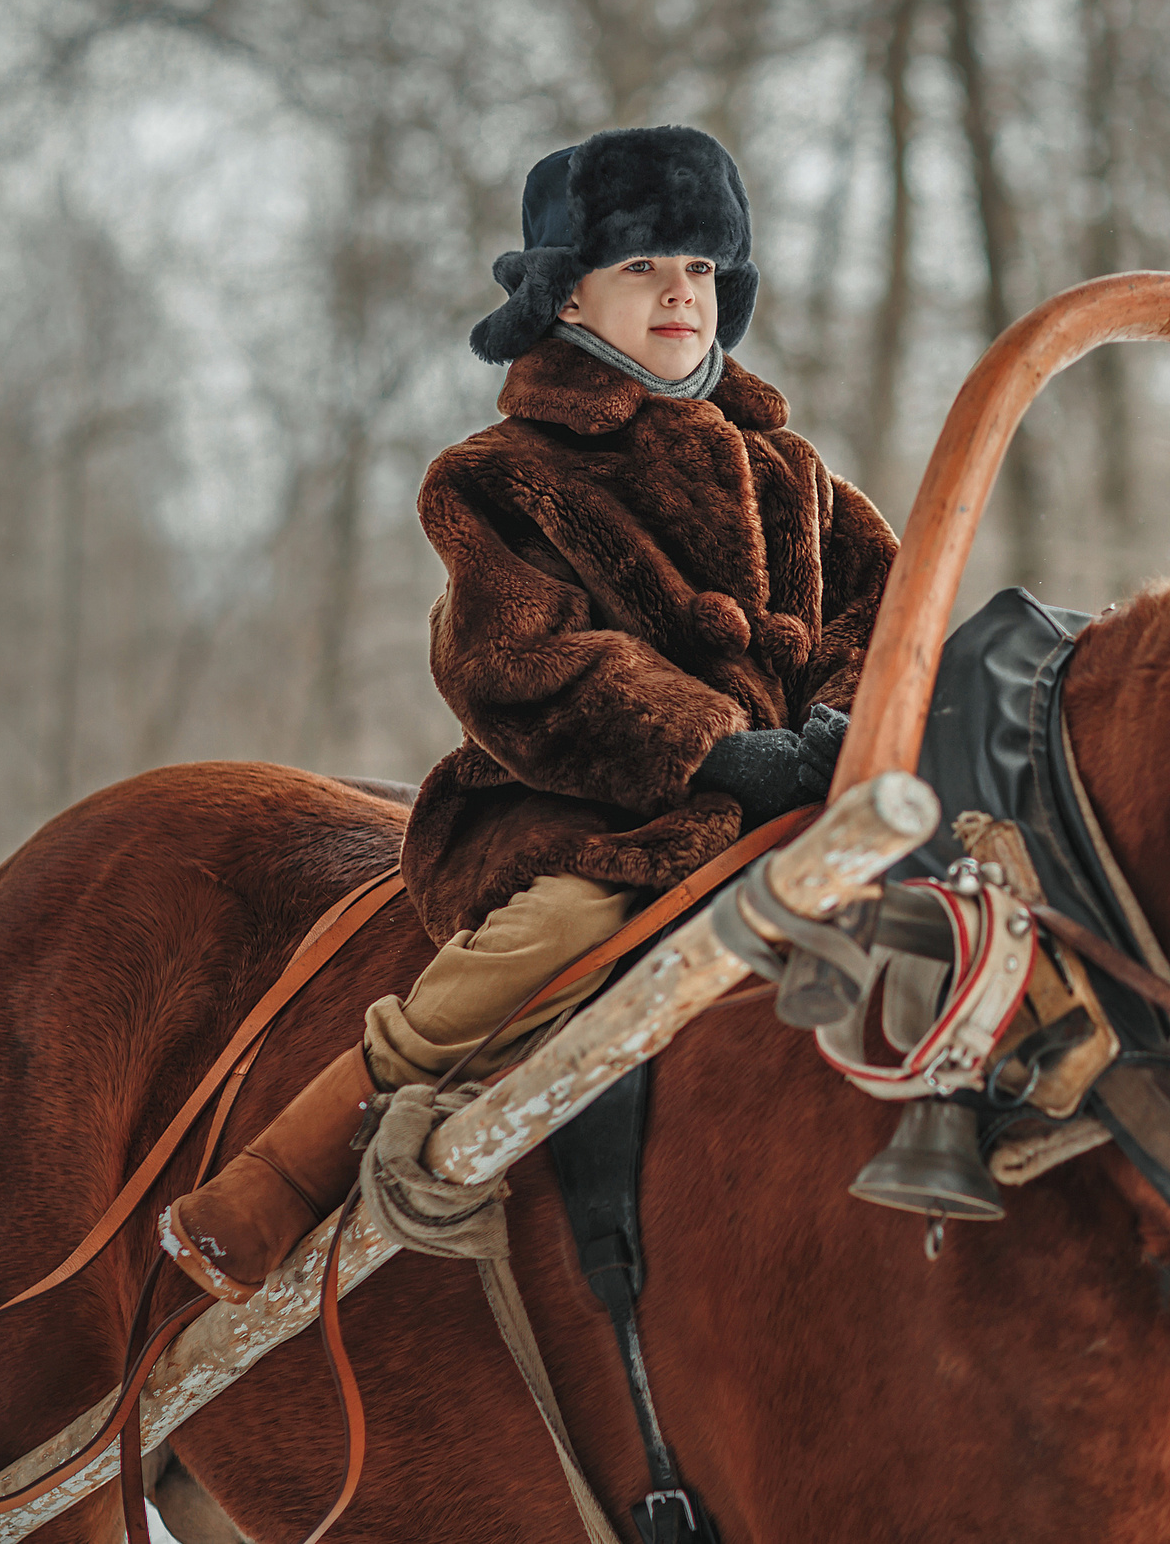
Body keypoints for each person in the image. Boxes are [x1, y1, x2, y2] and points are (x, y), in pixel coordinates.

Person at [163, 125, 897, 1303]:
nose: (678, 293)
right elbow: (515, 659)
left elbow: (885, 613)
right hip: (579, 803)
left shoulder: (794, 471)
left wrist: (839, 730)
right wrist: (717, 748)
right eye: (643, 266)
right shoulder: (500, 472)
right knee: (554, 928)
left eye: (702, 270)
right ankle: (308, 1152)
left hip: (812, 786)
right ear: (568, 294)